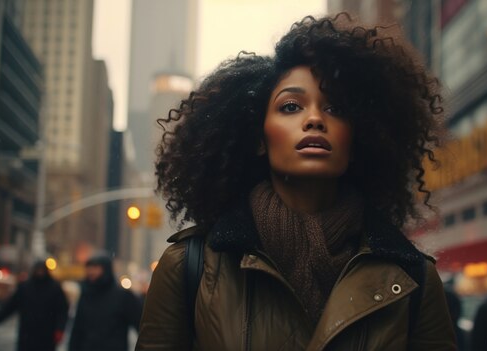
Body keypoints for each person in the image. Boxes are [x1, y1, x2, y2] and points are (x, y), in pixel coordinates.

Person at [137, 13, 456, 350]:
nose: (315, 119)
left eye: (335, 108)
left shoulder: (413, 280)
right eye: (291, 106)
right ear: (260, 138)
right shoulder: (190, 268)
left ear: (357, 140)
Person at [69, 253, 141, 351]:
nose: (91, 271)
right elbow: (77, 329)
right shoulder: (86, 294)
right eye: (89, 268)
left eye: (95, 267)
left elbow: (140, 324)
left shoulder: (123, 296)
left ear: (106, 269)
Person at [0, 260, 69, 351]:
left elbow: (62, 310)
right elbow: (12, 305)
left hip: (46, 333)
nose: (40, 273)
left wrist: (59, 329)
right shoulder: (26, 287)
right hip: (28, 333)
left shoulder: (54, 288)